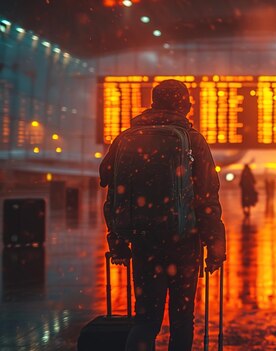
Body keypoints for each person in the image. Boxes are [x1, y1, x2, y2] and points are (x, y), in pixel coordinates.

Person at [99, 79, 226, 351]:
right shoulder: (192, 140)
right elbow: (207, 198)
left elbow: (110, 187)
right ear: (184, 104)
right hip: (184, 240)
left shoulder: (125, 139)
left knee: (145, 320)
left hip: (143, 241)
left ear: (154, 103)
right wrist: (215, 246)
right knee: (182, 319)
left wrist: (118, 240)